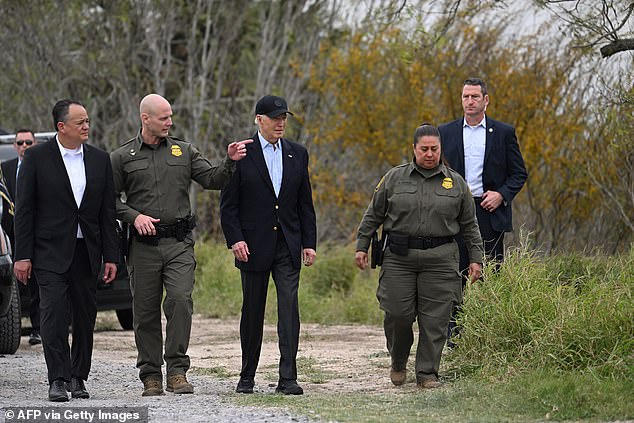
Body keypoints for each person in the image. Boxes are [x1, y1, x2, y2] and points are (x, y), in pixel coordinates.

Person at [111, 93, 252, 397]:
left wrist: (229, 160)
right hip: (143, 247)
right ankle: (150, 375)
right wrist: (133, 217)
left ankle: (177, 371)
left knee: (179, 301)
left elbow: (213, 179)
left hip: (179, 244)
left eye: (171, 116)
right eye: (164, 117)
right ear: (145, 118)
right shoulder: (122, 157)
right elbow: (108, 202)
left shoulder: (184, 151)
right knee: (145, 311)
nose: (170, 122)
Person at [355, 124, 482, 389]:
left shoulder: (456, 183)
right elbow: (373, 214)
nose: (429, 154)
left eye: (434, 149)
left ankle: (427, 372)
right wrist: (361, 245)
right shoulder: (394, 178)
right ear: (414, 149)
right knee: (397, 313)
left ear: (440, 149)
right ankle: (398, 360)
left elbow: (470, 225)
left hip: (440, 258)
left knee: (435, 319)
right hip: (399, 257)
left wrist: (475, 258)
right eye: (424, 149)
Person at [13, 99, 119, 402]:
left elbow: (106, 212)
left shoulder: (100, 160)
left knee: (85, 317)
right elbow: (24, 211)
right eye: (80, 122)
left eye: (87, 121)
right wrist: (23, 255)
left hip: (86, 251)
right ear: (61, 127)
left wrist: (111, 256)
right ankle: (57, 378)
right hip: (48, 252)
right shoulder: (36, 158)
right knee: (54, 314)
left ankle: (77, 377)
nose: (86, 126)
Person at [220, 95, 317, 395]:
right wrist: (235, 238)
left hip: (288, 245)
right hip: (252, 245)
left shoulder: (297, 154)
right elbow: (228, 206)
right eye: (274, 117)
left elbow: (305, 202)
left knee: (289, 309)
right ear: (258, 120)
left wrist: (309, 243)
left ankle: (288, 378)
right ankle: (247, 375)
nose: (280, 122)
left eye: (284, 117)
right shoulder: (241, 154)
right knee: (253, 311)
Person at [438, 78, 527, 345]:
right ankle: (454, 334)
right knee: (455, 271)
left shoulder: (503, 132)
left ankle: (491, 332)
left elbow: (518, 173)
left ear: (486, 100)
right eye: (465, 96)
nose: (470, 101)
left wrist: (501, 194)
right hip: (455, 213)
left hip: (489, 211)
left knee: (489, 272)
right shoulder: (446, 132)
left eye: (475, 96)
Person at [1, 129, 41, 345]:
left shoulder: (42, 167)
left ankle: (37, 329)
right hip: (9, 236)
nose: (24, 145)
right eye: (20, 142)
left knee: (36, 284)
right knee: (11, 283)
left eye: (28, 142)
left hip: (35, 235)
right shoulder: (5, 168)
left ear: (34, 143)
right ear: (15, 146)